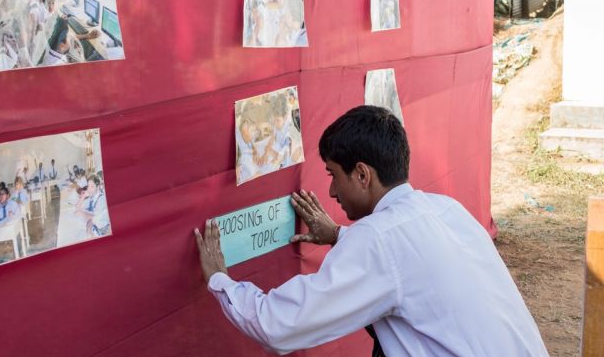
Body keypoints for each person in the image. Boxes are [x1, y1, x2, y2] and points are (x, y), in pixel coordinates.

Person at [195, 105, 548, 356]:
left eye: (334, 175)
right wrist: (339, 235)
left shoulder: (377, 241)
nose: (331, 191)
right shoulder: (445, 209)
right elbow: (405, 262)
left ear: (362, 175)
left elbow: (278, 325)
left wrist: (220, 280)